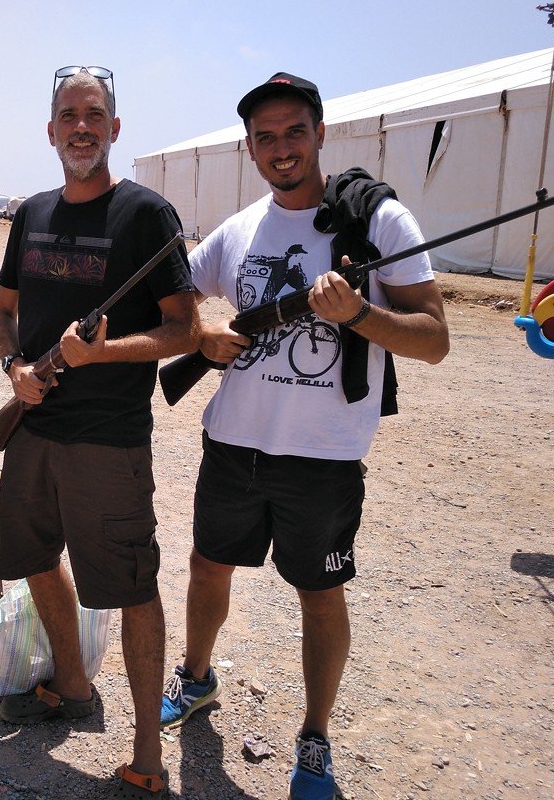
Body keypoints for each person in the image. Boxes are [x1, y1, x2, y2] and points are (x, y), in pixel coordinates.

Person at [159, 73, 450, 800]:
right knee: (206, 568)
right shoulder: (240, 229)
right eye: (266, 137)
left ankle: (315, 737)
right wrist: (202, 333)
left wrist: (359, 316)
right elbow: (177, 300)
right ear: (249, 147)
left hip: (323, 457)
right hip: (233, 445)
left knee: (320, 595)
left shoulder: (379, 224)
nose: (281, 148)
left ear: (321, 134)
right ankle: (195, 677)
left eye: (295, 131)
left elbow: (435, 339)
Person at [0, 66, 200, 800]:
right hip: (35, 427)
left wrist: (100, 354)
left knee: (133, 588)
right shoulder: (31, 214)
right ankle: (74, 685)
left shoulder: (147, 216)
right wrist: (16, 367)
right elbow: (2, 311)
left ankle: (146, 755)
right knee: (32, 557)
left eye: (94, 114)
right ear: (51, 130)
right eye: (69, 116)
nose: (81, 127)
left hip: (109, 442)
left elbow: (185, 330)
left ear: (115, 128)